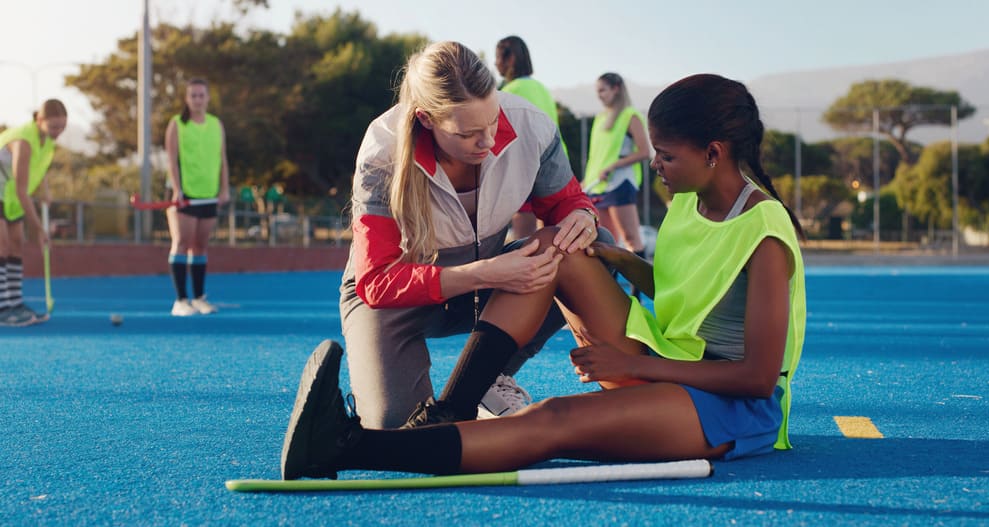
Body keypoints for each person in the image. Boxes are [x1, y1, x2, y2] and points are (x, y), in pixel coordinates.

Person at [280, 73, 807, 480]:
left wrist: (631, 365)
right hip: (670, 361)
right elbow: (692, 294)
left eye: (666, 156)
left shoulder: (762, 232)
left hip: (731, 405)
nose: (654, 165)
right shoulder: (692, 200)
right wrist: (619, 260)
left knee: (554, 420)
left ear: (713, 154)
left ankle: (346, 447)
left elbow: (756, 378)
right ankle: (451, 410)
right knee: (559, 246)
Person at [336, 41, 603, 429]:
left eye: (493, 121)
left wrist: (582, 215)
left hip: (488, 284)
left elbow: (566, 203)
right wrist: (484, 273)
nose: (489, 141)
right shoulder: (383, 152)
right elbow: (377, 281)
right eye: (468, 134)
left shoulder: (531, 125)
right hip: (396, 298)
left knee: (595, 249)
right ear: (427, 119)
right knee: (400, 429)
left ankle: (486, 378)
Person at [164, 78, 230, 316]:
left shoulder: (216, 124)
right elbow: (171, 159)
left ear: (208, 98)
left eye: (201, 95)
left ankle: (199, 298)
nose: (197, 100)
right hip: (185, 194)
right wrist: (177, 189)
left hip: (208, 194)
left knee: (200, 246)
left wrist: (224, 188)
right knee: (182, 242)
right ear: (187, 99)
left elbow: (222, 159)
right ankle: (181, 301)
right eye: (193, 95)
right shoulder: (177, 124)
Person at [0, 99, 67, 327]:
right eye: (54, 127)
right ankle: (2, 308)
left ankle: (14, 304)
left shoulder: (46, 142)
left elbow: (38, 168)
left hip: (7, 192)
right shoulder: (23, 141)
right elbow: (22, 190)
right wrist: (39, 229)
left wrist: (45, 190)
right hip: (7, 190)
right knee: (2, 244)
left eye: (62, 127)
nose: (58, 132)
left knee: (16, 243)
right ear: (40, 120)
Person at [494, 36, 567, 240]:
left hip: (526, 167)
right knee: (551, 239)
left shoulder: (509, 91)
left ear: (510, 59)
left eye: (497, 57)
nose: (495, 63)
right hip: (554, 165)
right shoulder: (542, 89)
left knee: (524, 241)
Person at [582, 73, 651, 266]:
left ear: (616, 88)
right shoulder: (600, 118)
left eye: (603, 90)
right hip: (597, 185)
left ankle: (640, 282)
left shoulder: (630, 116)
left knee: (631, 238)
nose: (599, 95)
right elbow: (596, 155)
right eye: (597, 91)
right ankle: (610, 282)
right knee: (606, 241)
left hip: (620, 183)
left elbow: (645, 152)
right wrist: (586, 180)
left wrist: (614, 166)